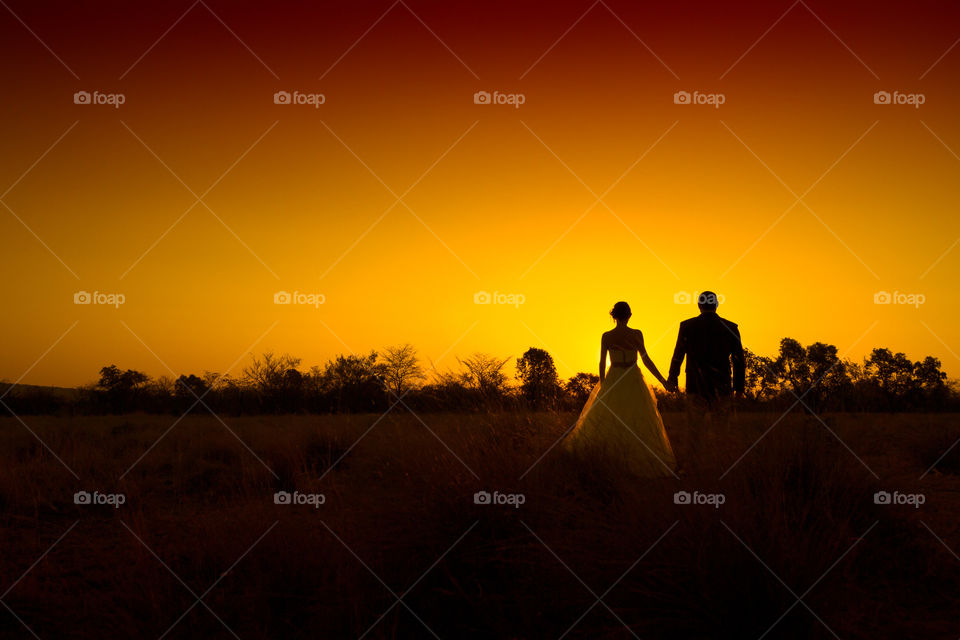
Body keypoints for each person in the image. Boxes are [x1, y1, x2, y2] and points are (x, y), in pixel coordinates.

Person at [563, 301, 676, 477]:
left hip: (614, 377)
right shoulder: (636, 334)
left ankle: (607, 461)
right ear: (629, 315)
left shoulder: (606, 336)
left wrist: (603, 383)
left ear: (614, 316)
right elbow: (646, 360)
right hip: (633, 378)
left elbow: (601, 362)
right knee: (638, 417)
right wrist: (663, 381)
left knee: (608, 417)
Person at [665, 291, 745, 456]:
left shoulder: (687, 326)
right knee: (721, 429)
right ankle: (721, 463)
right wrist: (739, 387)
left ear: (699, 305)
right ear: (716, 305)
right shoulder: (731, 327)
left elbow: (678, 355)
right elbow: (738, 359)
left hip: (695, 385)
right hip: (722, 385)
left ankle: (692, 465)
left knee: (694, 430)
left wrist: (672, 379)